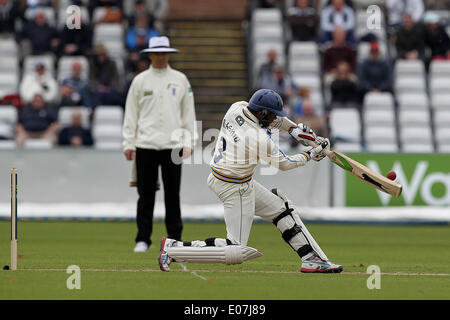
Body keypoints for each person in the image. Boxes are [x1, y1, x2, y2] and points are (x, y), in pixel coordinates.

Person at [157, 89, 343, 273]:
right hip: (234, 187)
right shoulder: (258, 138)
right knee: (235, 249)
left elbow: (275, 120)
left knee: (281, 209)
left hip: (228, 179)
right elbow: (285, 164)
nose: (273, 120)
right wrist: (311, 154)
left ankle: (312, 258)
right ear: (262, 113)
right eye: (271, 116)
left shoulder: (237, 108)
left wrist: (294, 129)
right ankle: (174, 249)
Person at [122, 36, 198, 253]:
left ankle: (175, 239)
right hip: (145, 144)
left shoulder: (181, 79)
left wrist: (189, 141)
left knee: (173, 195)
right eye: (157, 53)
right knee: (146, 195)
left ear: (169, 54)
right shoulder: (140, 81)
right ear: (150, 55)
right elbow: (131, 114)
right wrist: (129, 142)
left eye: (165, 53)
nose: (161, 57)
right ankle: (143, 239)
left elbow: (188, 114)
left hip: (173, 145)